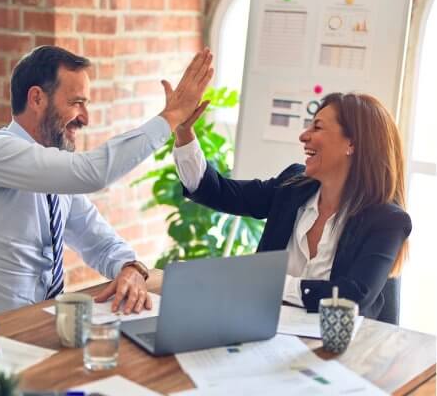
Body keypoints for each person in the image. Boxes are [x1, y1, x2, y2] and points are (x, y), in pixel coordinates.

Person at [0, 45, 213, 324]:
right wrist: (171, 117)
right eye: (76, 102)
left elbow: (98, 240)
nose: (85, 118)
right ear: (37, 99)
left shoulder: (55, 176)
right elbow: (92, 173)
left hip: (37, 331)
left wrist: (130, 267)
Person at [172, 92, 411, 319]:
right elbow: (218, 192)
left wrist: (270, 282)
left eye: (317, 127)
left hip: (339, 349)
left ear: (352, 144)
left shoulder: (387, 220)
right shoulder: (292, 186)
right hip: (264, 331)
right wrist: (184, 133)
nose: (303, 136)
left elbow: (353, 296)